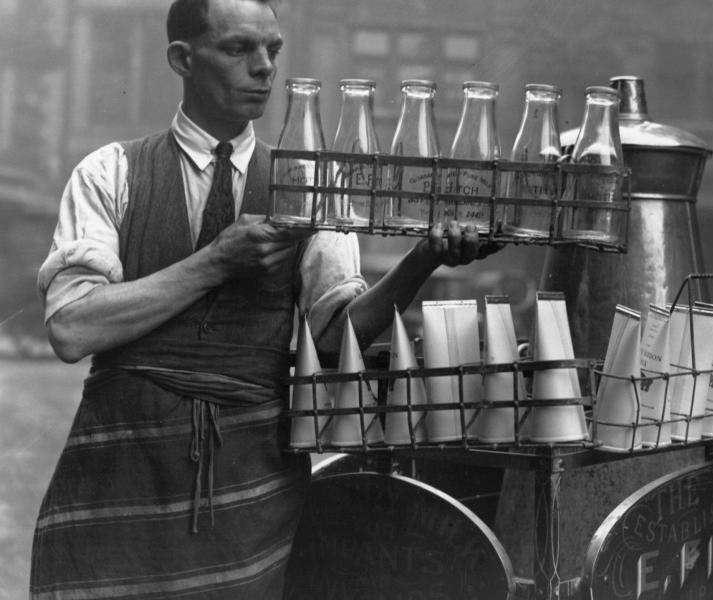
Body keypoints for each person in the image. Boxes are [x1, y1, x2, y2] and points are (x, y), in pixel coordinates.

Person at [29, 0, 498, 597]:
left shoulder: (311, 185)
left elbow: (334, 340)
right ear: (182, 58)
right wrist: (215, 262)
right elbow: (72, 329)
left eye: (272, 50)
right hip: (118, 488)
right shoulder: (109, 173)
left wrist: (424, 259)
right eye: (237, 49)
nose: (264, 68)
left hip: (253, 496)